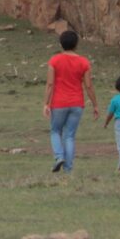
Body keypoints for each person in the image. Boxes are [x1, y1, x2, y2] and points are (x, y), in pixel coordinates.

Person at [43, 29, 98, 173]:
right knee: (70, 136)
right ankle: (68, 169)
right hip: (77, 103)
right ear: (76, 44)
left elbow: (50, 84)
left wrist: (46, 103)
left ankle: (59, 156)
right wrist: (95, 105)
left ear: (61, 44)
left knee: (55, 131)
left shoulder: (54, 60)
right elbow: (88, 86)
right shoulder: (84, 62)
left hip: (59, 103)